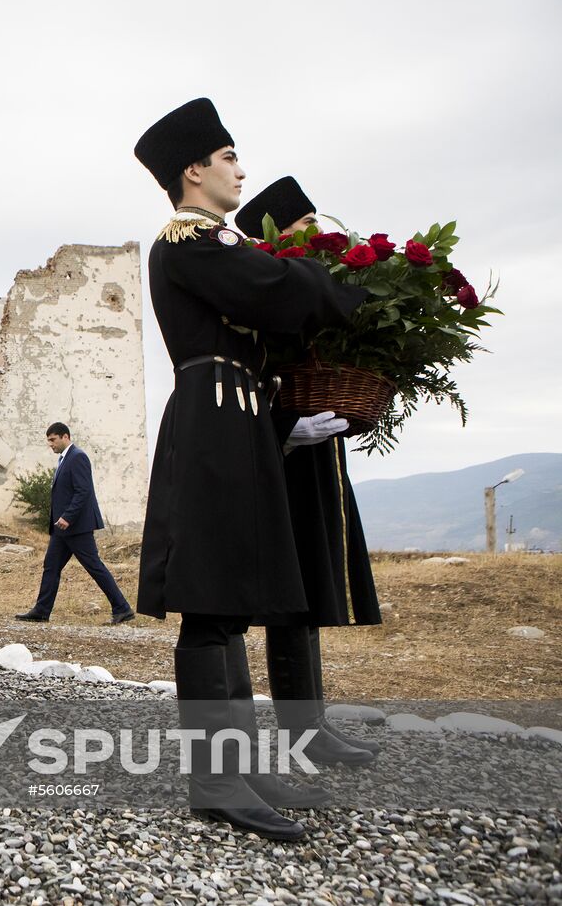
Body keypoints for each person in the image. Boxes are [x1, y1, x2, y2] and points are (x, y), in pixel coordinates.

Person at [133, 99, 366, 840]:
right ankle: (214, 778)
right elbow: (276, 290)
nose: (241, 168)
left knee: (231, 598)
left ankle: (236, 763)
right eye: (229, 157)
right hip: (212, 422)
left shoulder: (219, 240)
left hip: (242, 422)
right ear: (193, 170)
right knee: (210, 602)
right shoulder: (188, 240)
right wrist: (352, 290)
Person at [234, 177, 382, 766]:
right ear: (277, 234)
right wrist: (282, 429)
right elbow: (250, 375)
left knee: (312, 588)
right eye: (304, 225)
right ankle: (296, 733)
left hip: (317, 450)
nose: (317, 233)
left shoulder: (308, 287)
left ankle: (311, 726)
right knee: (287, 596)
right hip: (279, 458)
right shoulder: (258, 290)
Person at [15, 422, 133, 624]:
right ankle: (42, 611)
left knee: (94, 566)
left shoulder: (78, 457)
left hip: (77, 527)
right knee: (51, 566)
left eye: (53, 440)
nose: (50, 444)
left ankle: (122, 608)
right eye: (48, 440)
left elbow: (83, 491)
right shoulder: (64, 459)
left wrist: (68, 517)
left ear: (65, 437)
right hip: (62, 530)